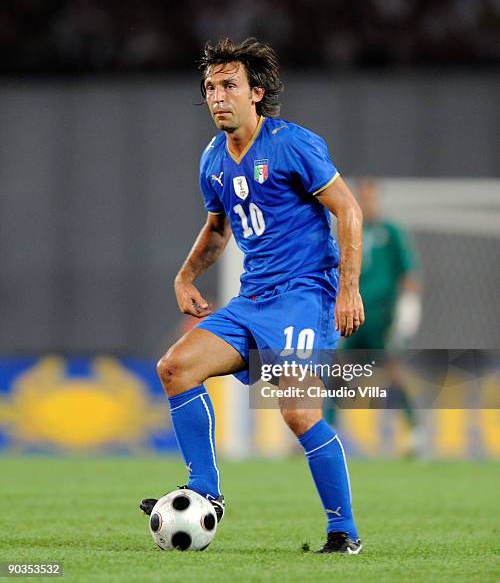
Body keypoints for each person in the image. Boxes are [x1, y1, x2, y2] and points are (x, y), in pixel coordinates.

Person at [140, 38, 365, 554]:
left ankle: (343, 532)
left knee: (298, 412)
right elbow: (218, 229)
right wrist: (185, 276)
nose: (217, 97)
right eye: (211, 87)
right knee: (175, 367)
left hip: (304, 294)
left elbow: (348, 212)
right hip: (253, 299)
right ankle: (205, 491)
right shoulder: (213, 159)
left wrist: (347, 290)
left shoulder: (293, 145)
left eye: (229, 86)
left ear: (256, 93)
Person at [329, 177, 422, 453]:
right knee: (339, 372)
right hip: (353, 317)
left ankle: (416, 432)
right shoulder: (348, 229)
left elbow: (409, 274)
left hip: (383, 317)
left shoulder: (391, 232)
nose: (366, 203)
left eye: (371, 198)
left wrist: (409, 307)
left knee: (393, 372)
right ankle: (327, 432)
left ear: (377, 200)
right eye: (362, 198)